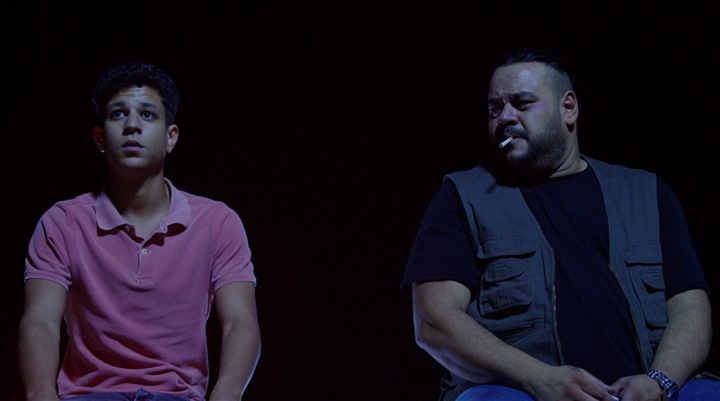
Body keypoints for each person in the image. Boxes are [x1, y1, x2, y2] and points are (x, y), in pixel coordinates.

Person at [401, 48, 719, 401]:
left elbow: (690, 306)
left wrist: (660, 382)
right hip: (519, 391)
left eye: (522, 103)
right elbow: (434, 321)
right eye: (494, 109)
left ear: (568, 108)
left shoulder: (645, 192)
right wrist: (540, 380)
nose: (505, 117)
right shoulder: (462, 196)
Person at [18, 62, 261, 401]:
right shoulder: (63, 222)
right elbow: (41, 321)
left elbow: (239, 322)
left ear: (171, 136)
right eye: (118, 114)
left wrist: (227, 395)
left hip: (179, 396)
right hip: (89, 396)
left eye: (147, 115)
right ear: (100, 138)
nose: (132, 125)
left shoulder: (218, 222)